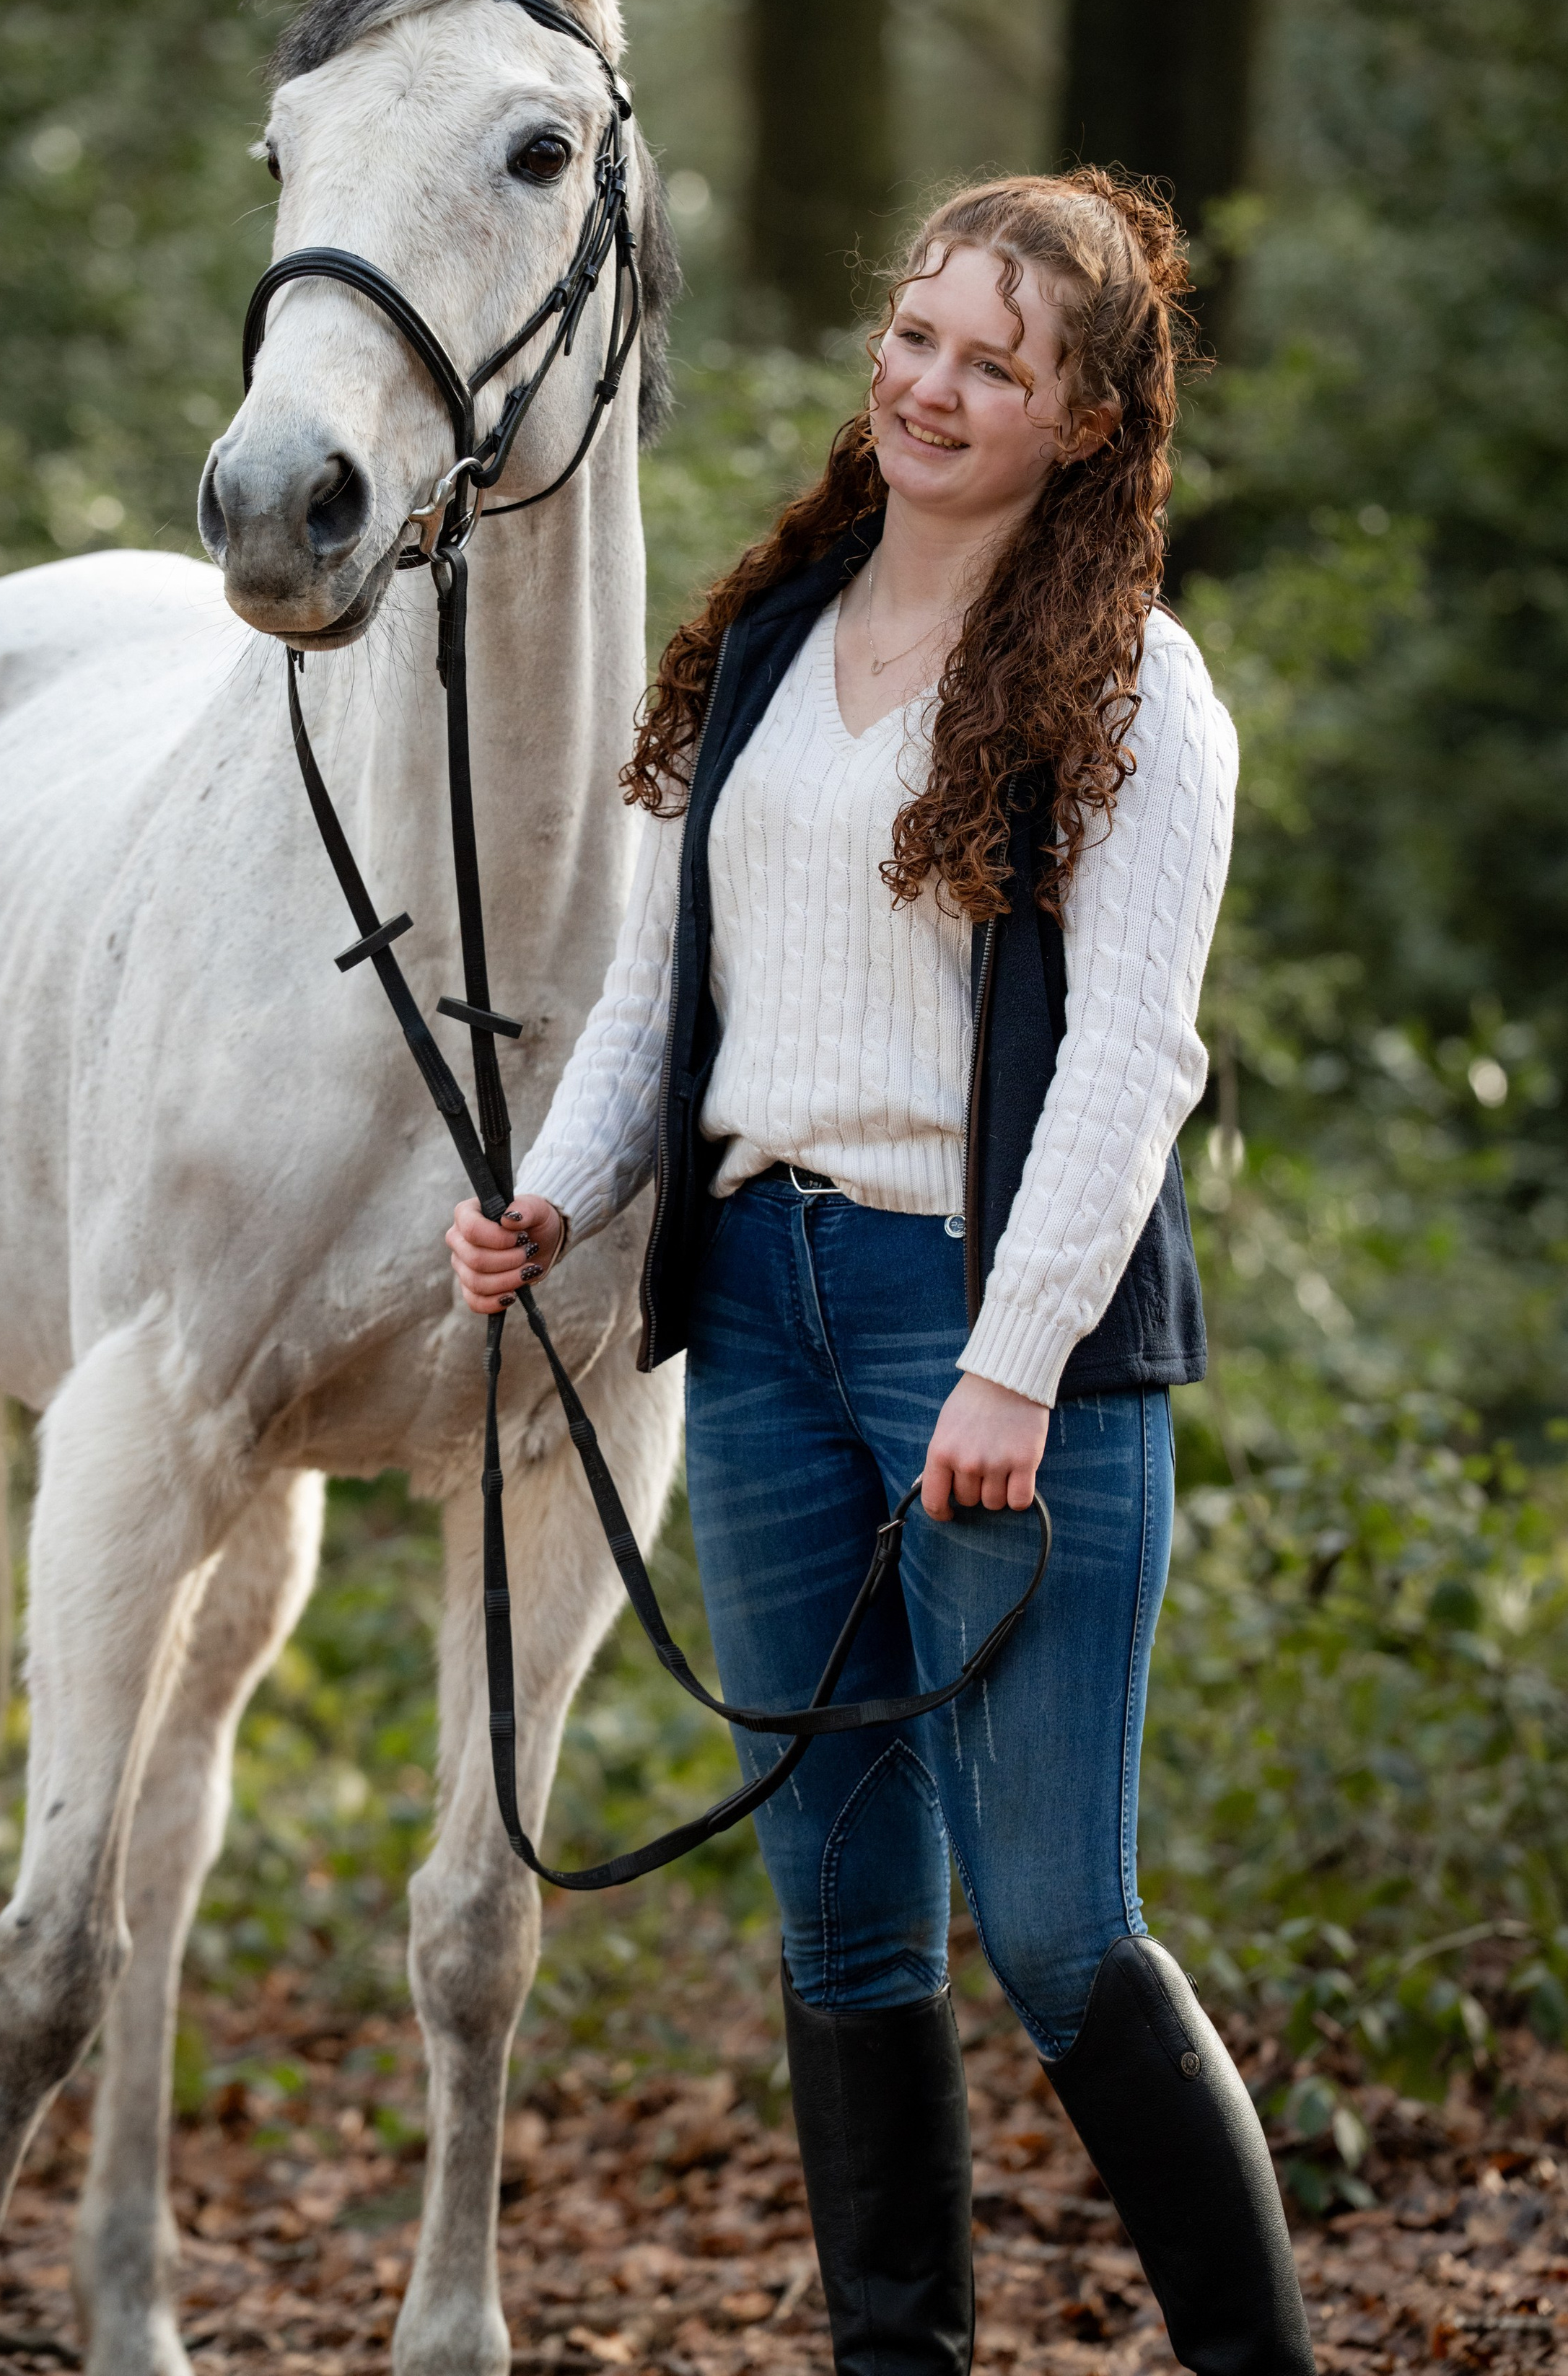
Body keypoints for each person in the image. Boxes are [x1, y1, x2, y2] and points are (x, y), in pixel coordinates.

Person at [447, 171, 1313, 2376]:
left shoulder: (1142, 691)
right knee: (841, 1921)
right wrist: (553, 1200)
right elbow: (662, 997)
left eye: (995, 363)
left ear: (1088, 424)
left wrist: (1012, 1368)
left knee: (1048, 1920)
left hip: (994, 1340)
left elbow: (1132, 1064)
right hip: (757, 1319)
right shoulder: (764, 638)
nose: (930, 385)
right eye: (918, 333)